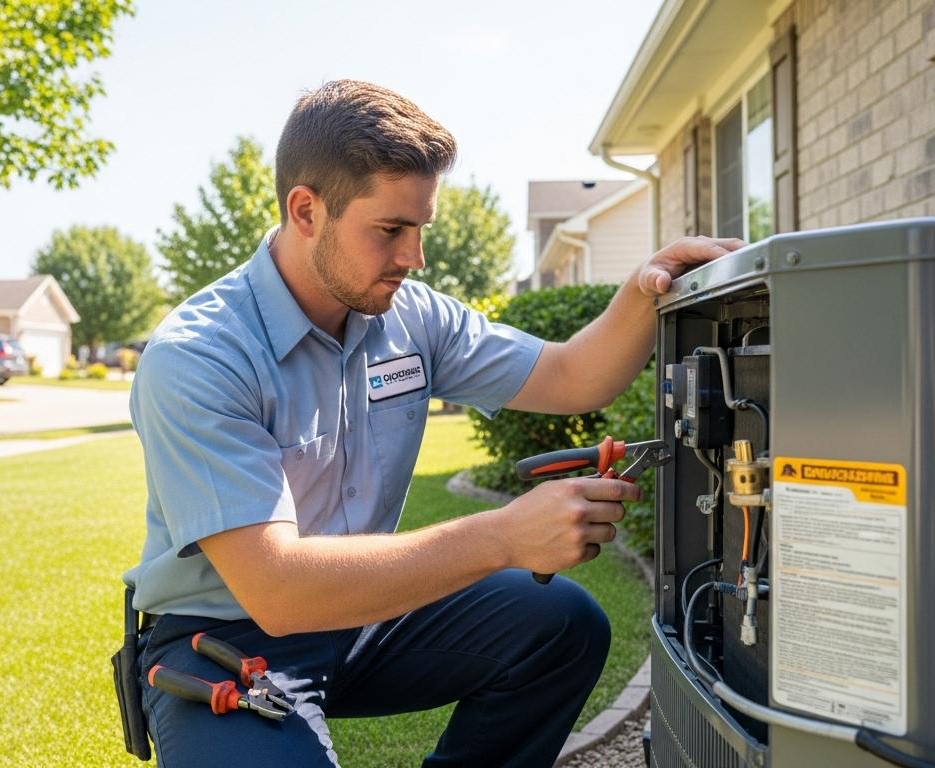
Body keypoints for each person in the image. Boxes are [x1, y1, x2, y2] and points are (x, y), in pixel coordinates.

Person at [124, 79, 742, 767]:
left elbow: (570, 376)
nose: (414, 257)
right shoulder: (200, 357)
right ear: (305, 210)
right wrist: (505, 535)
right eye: (390, 230)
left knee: (563, 626)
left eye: (420, 228)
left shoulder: (411, 317)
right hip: (225, 633)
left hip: (364, 612)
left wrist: (643, 289)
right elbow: (280, 590)